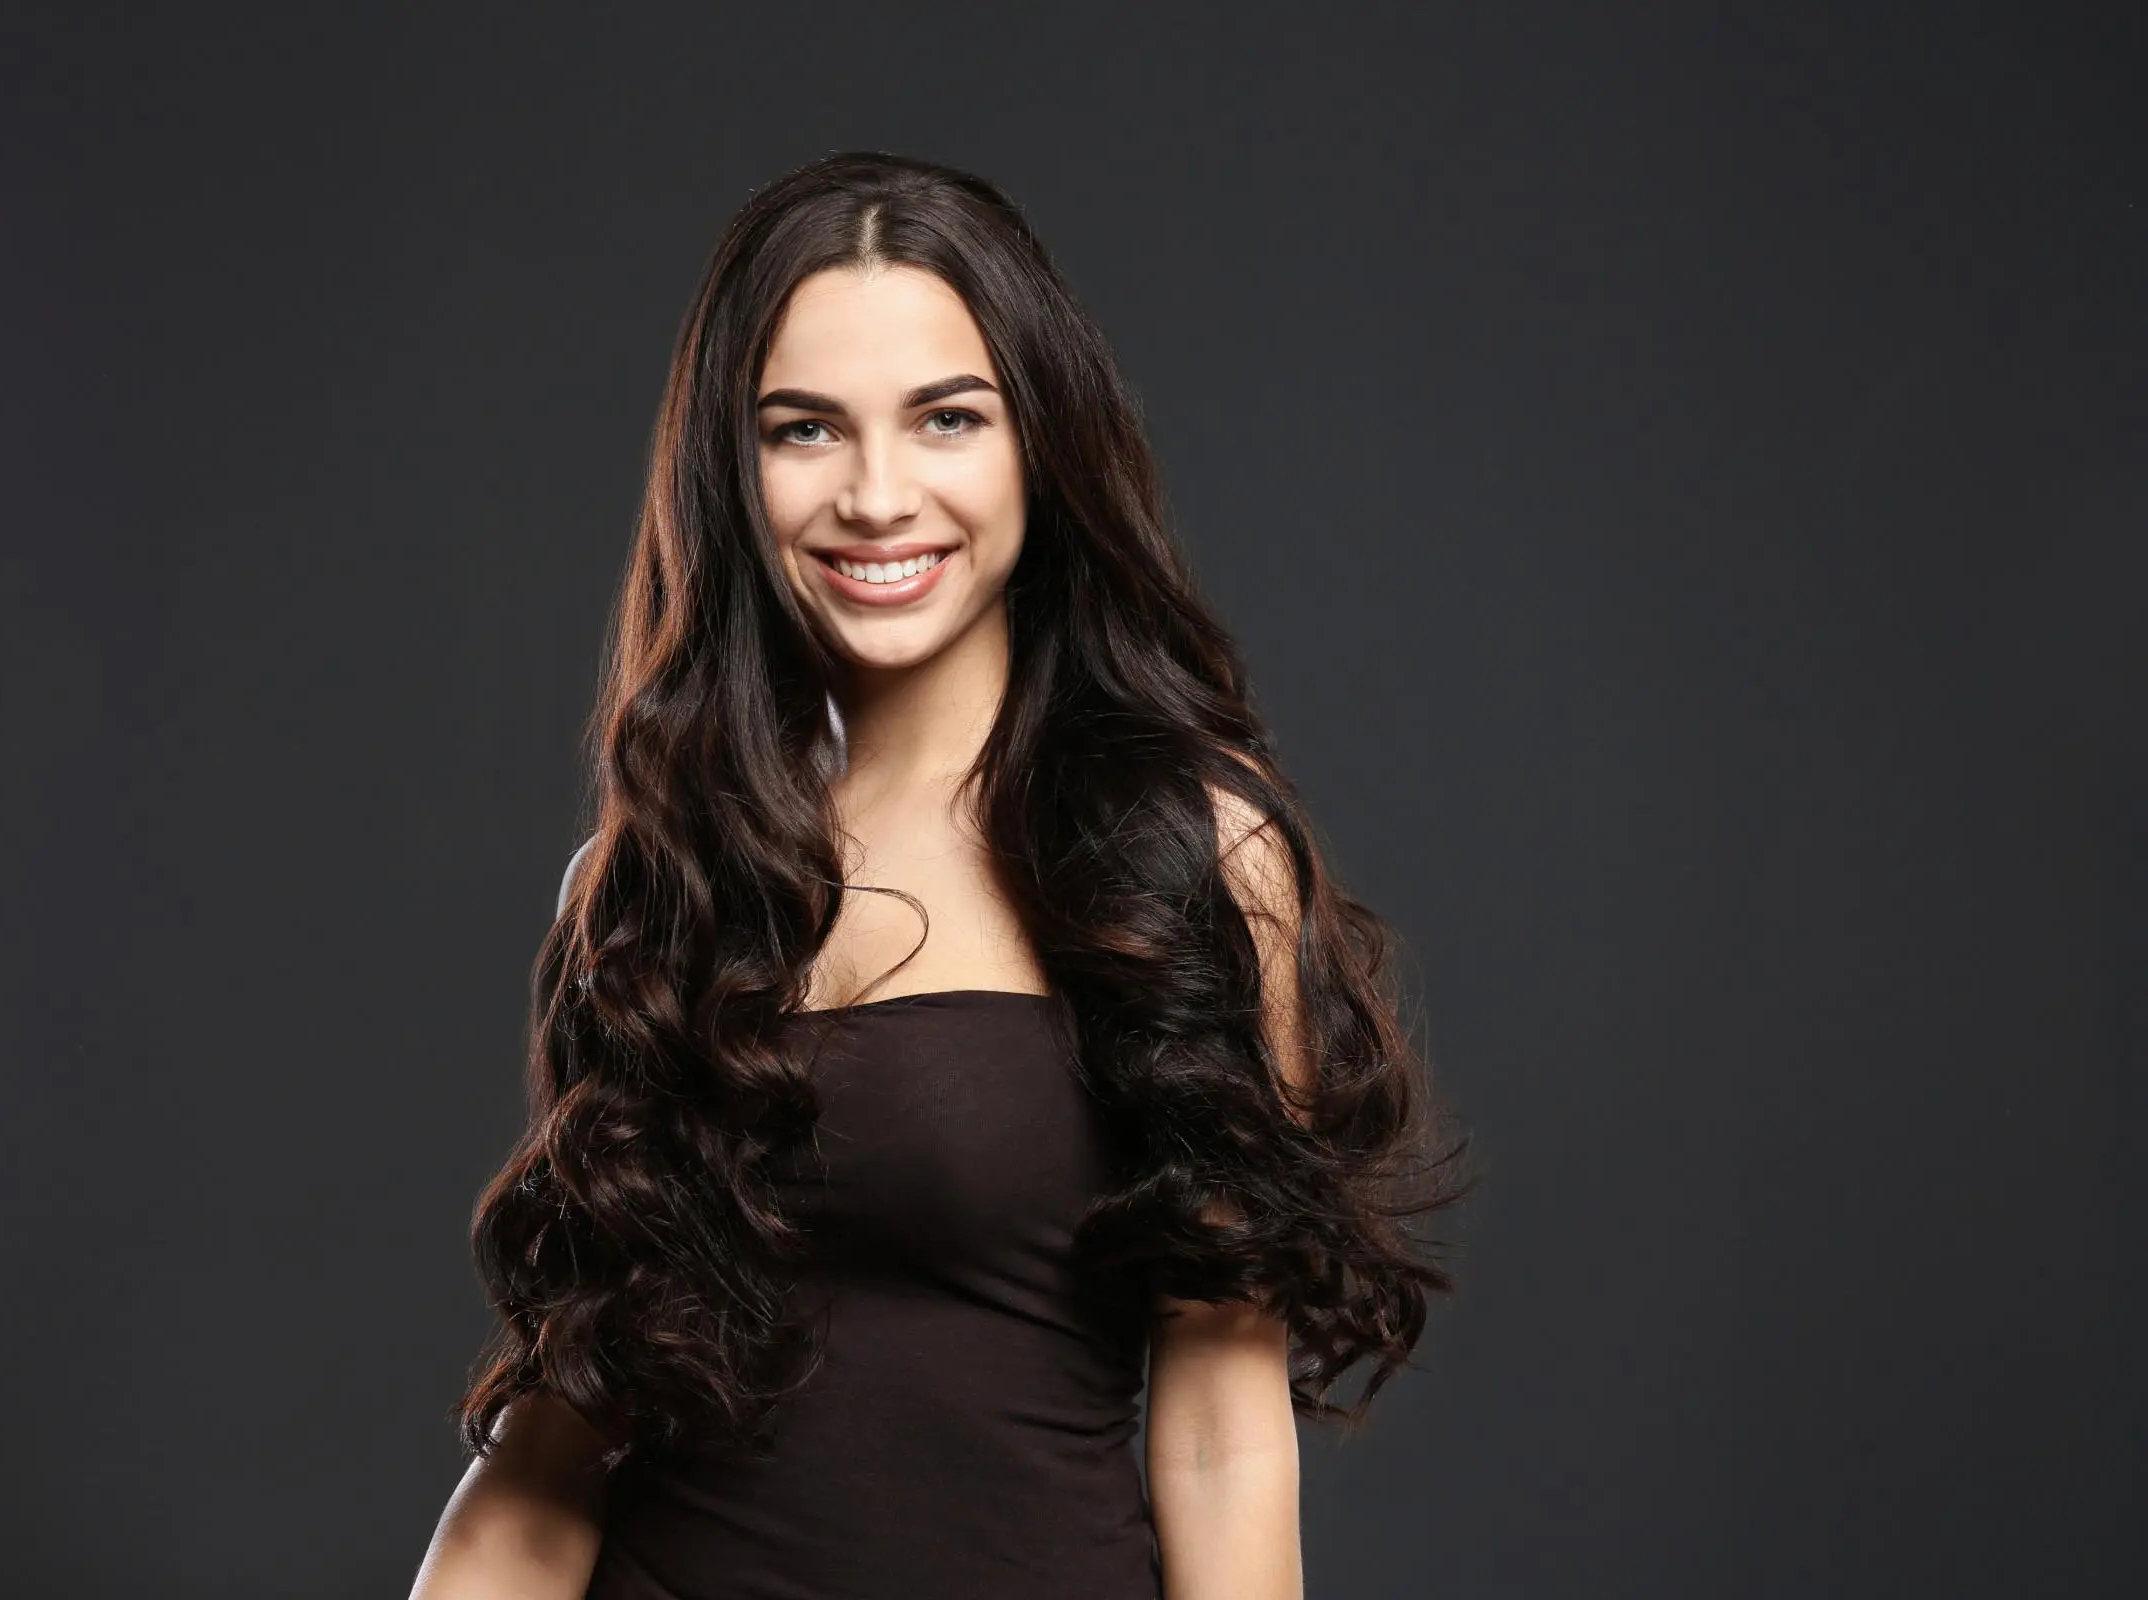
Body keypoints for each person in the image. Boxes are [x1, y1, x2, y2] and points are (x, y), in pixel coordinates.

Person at [408, 150, 1465, 1600]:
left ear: (1042, 440)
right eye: (804, 431)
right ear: (735, 468)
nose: (877, 494)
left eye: (947, 418)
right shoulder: (646, 884)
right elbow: (557, 1443)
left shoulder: (1190, 859)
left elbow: (1224, 1432)